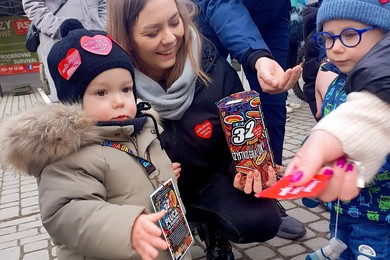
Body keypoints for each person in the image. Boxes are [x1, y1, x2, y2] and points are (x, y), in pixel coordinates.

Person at [106, 0, 282, 259]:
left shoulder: (214, 67)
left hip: (209, 182)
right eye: (152, 33)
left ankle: (214, 230)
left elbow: (238, 144)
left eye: (175, 22)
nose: (169, 39)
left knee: (263, 219)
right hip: (152, 192)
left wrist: (246, 170)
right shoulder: (113, 88)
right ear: (126, 38)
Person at [0, 18, 189, 260]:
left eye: (126, 89)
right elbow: (66, 211)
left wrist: (161, 173)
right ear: (75, 102)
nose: (119, 100)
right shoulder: (69, 152)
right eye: (101, 92)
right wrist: (127, 228)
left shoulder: (141, 130)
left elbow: (129, 173)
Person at [284, 1, 390, 257]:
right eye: (328, 38)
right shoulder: (334, 84)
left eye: (350, 35)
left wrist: (342, 164)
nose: (336, 48)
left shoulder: (381, 93)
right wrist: (308, 158)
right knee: (341, 241)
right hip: (340, 210)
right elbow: (324, 129)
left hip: (378, 217)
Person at [193, 0, 306, 240]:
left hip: (272, 15)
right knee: (205, 100)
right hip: (212, 11)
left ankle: (266, 190)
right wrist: (256, 54)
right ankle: (209, 211)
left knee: (273, 103)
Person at [22, 0, 106, 102]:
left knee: (103, 90)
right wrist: (58, 28)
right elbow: (32, 4)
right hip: (61, 40)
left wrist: (101, 27)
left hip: (96, 40)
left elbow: (103, 4)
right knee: (69, 101)